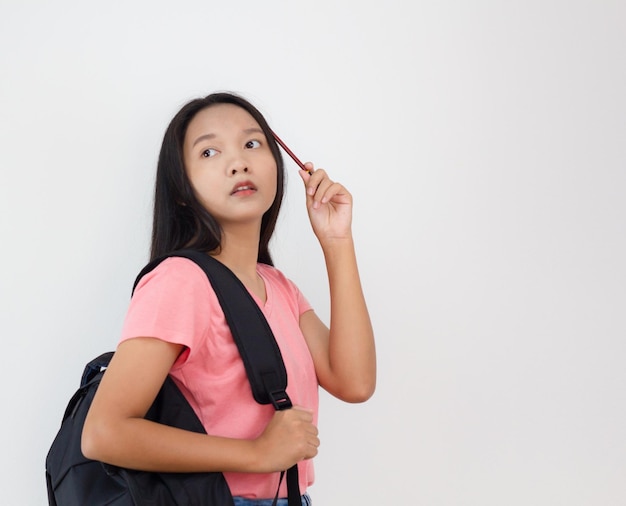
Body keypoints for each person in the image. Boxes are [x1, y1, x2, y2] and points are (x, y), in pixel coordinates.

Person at [81, 92, 376, 505]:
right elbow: (103, 433)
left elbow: (355, 382)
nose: (238, 161)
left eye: (252, 144)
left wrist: (337, 241)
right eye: (209, 151)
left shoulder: (278, 287)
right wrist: (255, 454)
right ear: (182, 189)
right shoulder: (180, 282)